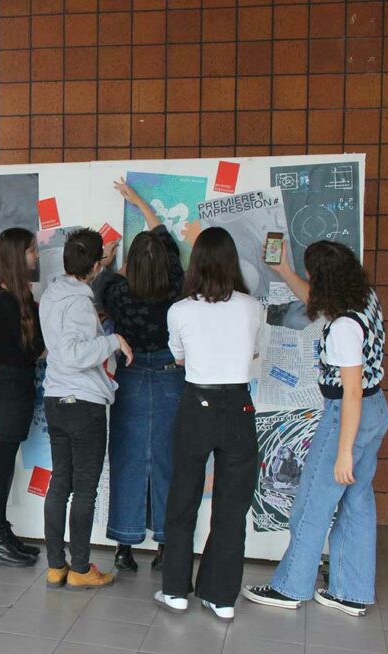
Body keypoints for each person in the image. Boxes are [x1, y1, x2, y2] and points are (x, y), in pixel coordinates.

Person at [243, 241, 388, 617]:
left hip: (348, 415)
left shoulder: (343, 328)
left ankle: (290, 586)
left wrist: (343, 451)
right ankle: (351, 591)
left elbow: (351, 390)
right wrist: (285, 271)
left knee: (312, 503)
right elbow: (317, 301)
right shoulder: (364, 298)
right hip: (375, 411)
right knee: (356, 503)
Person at [155, 227, 265, 622]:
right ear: (232, 261)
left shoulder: (180, 310)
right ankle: (221, 598)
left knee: (183, 498)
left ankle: (175, 591)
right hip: (239, 405)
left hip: (196, 403)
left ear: (195, 262)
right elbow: (254, 352)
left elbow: (179, 357)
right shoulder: (253, 307)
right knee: (232, 507)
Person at [98, 179, 186, 573]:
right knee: (169, 460)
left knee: (128, 459)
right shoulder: (178, 289)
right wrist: (140, 202)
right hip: (171, 376)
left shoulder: (116, 290)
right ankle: (166, 543)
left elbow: (102, 285)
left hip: (130, 378)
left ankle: (123, 544)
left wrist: (109, 264)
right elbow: (163, 236)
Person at [39, 229, 133, 590]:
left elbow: (60, 349)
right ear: (95, 266)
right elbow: (75, 354)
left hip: (56, 400)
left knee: (59, 483)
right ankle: (80, 568)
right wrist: (114, 340)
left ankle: (56, 567)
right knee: (85, 489)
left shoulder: (52, 294)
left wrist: (99, 262)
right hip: (83, 404)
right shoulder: (79, 302)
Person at [0, 228, 44, 567]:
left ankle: (1, 533)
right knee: (2, 467)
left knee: (5, 466)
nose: (36, 256)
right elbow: (28, 351)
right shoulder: (4, 300)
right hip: (9, 389)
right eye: (33, 251)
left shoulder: (16, 298)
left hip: (15, 387)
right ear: (18, 256)